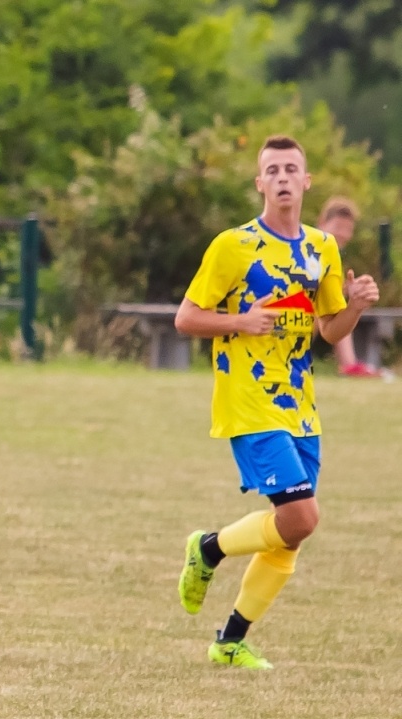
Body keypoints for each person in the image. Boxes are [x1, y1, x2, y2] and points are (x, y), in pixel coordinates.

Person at [174, 135, 379, 669]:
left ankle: (229, 641)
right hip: (248, 401)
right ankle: (209, 548)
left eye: (292, 168)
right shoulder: (232, 246)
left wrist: (354, 305)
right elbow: (186, 318)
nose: (284, 177)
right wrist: (239, 321)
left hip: (299, 404)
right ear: (260, 183)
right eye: (273, 170)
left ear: (306, 182)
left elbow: (332, 332)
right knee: (302, 517)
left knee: (289, 535)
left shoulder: (322, 249)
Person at [316, 197, 385, 378]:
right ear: (322, 223)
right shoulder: (309, 248)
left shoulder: (334, 257)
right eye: (338, 228)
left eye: (348, 230)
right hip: (294, 317)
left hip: (317, 321)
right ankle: (349, 364)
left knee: (341, 307)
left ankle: (350, 365)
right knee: (337, 307)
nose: (343, 234)